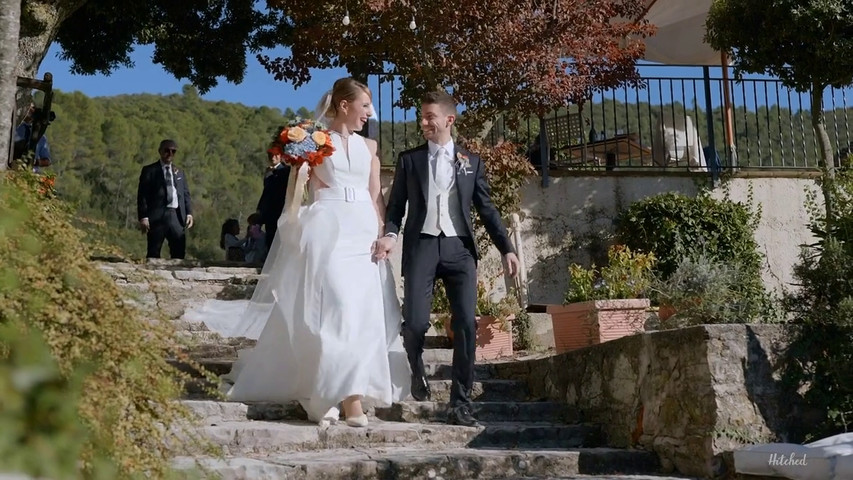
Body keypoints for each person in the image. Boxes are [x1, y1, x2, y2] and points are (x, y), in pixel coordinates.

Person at [195, 78, 409, 427]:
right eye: (365, 106)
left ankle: (348, 396)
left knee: (360, 315)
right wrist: (301, 173)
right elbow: (306, 191)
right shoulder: (315, 142)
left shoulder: (369, 147)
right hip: (330, 229)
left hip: (362, 235)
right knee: (335, 309)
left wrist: (385, 233)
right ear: (344, 106)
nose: (369, 114)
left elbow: (375, 196)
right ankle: (337, 394)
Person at [374, 89, 520, 427]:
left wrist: (506, 247)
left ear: (448, 120)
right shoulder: (409, 160)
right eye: (421, 116)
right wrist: (391, 234)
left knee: (466, 325)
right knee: (415, 322)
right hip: (422, 244)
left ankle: (461, 404)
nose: (423, 122)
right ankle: (416, 365)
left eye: (429, 117)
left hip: (459, 250)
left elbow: (486, 208)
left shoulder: (472, 162)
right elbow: (396, 207)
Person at [137, 139, 194, 259]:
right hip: (157, 216)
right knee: (154, 251)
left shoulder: (179, 172)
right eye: (167, 150)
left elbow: (185, 194)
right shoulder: (150, 171)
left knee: (179, 251)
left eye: (173, 151)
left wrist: (189, 213)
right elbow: (142, 194)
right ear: (160, 151)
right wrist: (144, 216)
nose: (170, 154)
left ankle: (179, 277)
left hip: (176, 216)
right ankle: (152, 276)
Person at [256, 151, 291, 246]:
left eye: (276, 155)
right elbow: (266, 192)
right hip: (269, 212)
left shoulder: (285, 170)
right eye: (271, 155)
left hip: (279, 209)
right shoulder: (269, 171)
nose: (273, 157)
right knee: (270, 239)